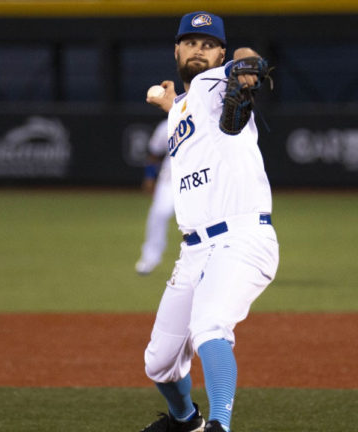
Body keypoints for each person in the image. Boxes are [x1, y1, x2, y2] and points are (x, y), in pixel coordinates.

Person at [139, 11, 279, 432]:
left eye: (209, 45)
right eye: (191, 42)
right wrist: (171, 103)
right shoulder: (183, 103)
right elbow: (189, 109)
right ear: (176, 50)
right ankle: (186, 421)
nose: (199, 50)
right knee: (159, 363)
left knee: (209, 326)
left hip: (241, 238)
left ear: (219, 54)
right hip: (194, 250)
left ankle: (220, 426)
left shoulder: (214, 82)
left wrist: (243, 63)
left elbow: (248, 62)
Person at [135, 119, 177, 276]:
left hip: (202, 179)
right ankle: (150, 257)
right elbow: (154, 154)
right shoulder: (167, 125)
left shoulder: (208, 119)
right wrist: (149, 177)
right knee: (159, 213)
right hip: (170, 178)